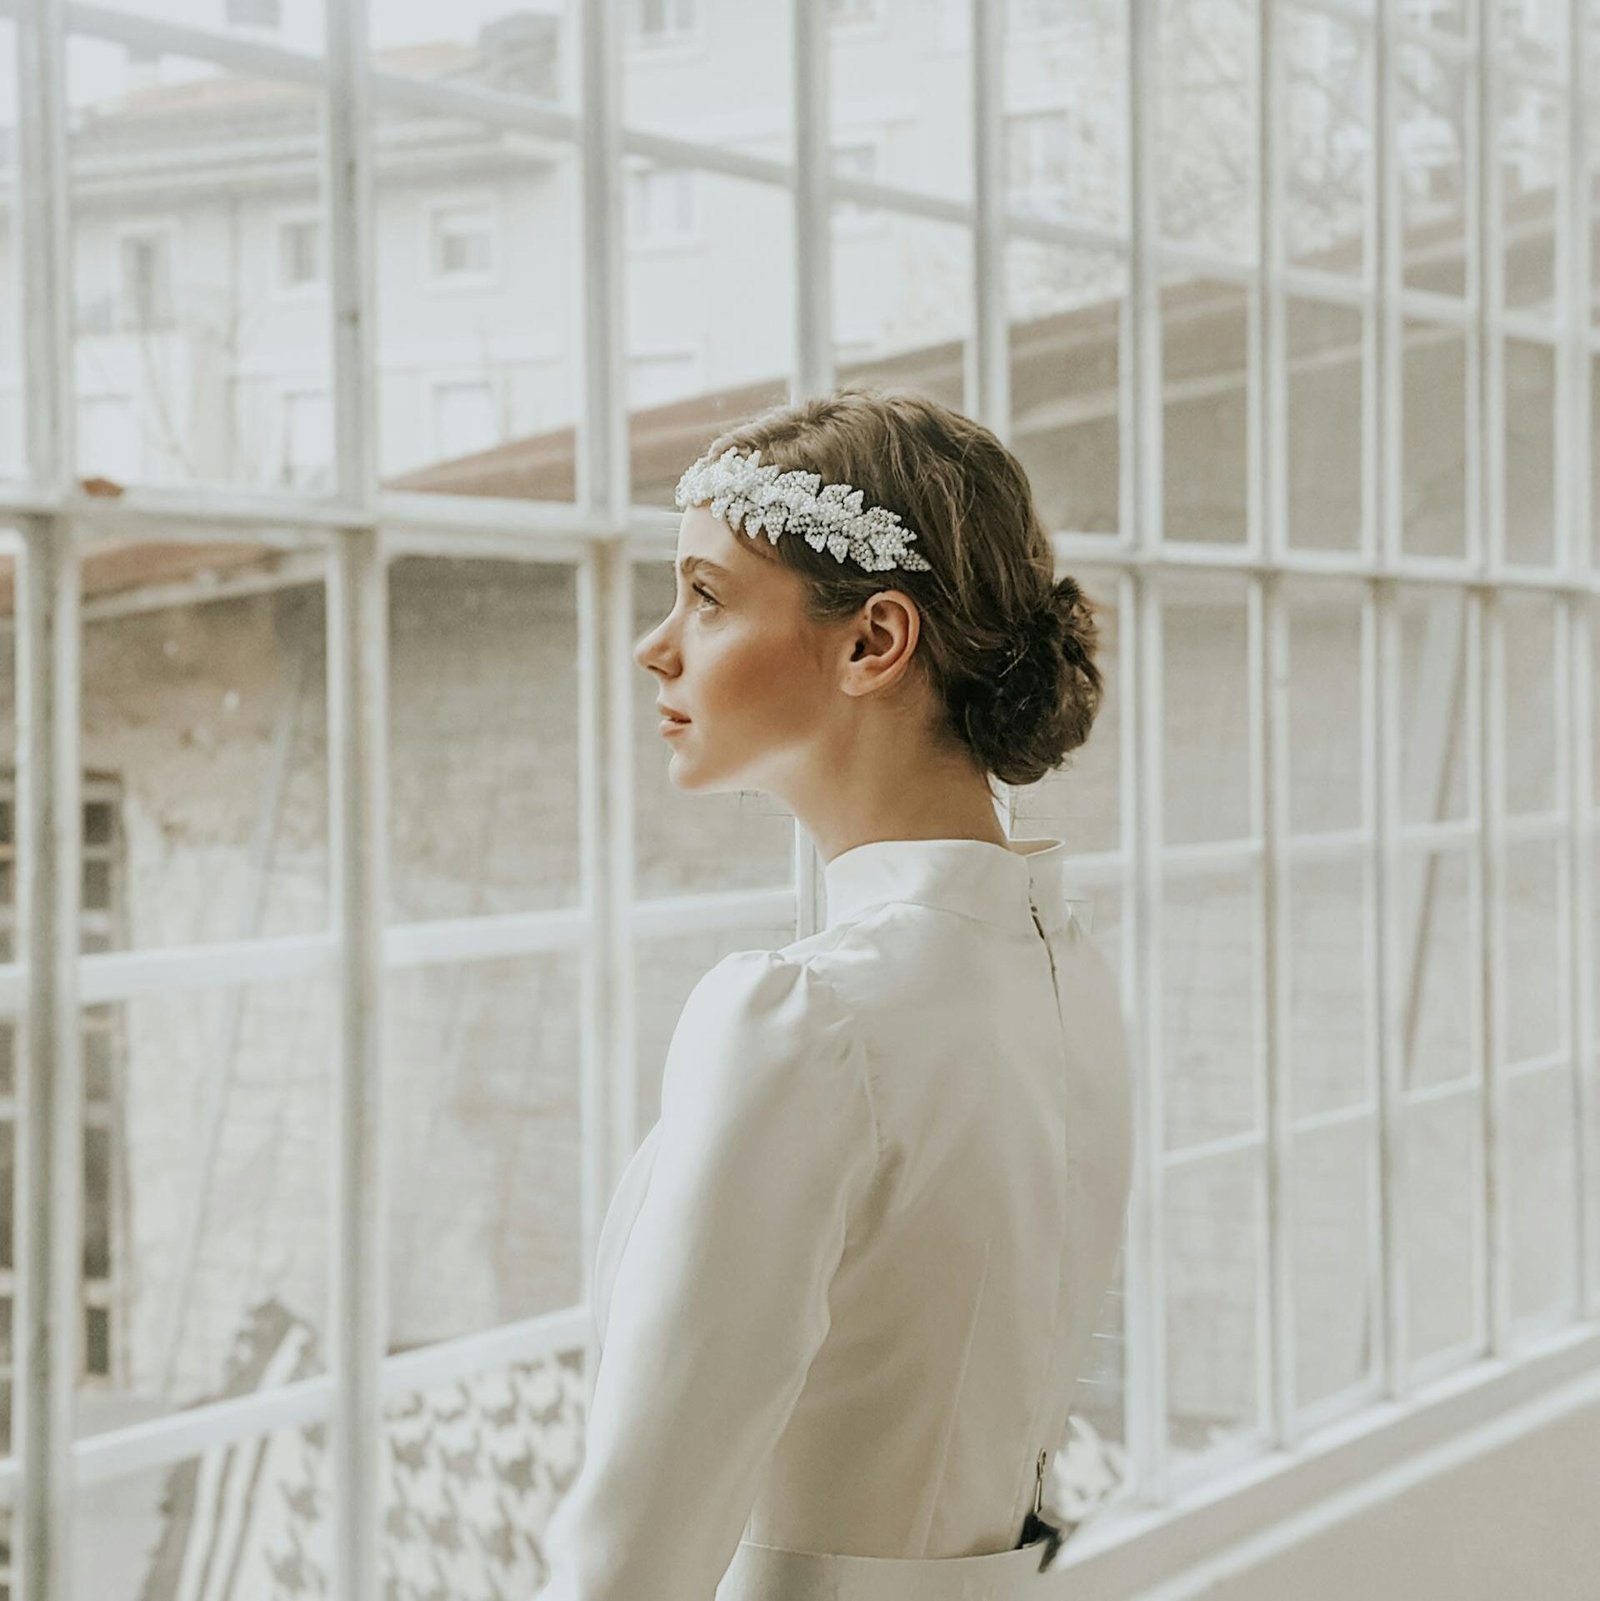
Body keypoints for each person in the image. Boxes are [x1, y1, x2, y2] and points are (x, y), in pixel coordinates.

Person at [539, 385, 1134, 1600]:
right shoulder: (1066, 972)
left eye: (704, 595)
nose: (654, 645)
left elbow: (629, 1557)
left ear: (875, 641)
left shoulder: (807, 1020)